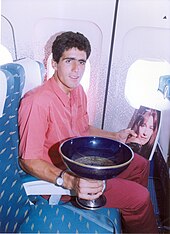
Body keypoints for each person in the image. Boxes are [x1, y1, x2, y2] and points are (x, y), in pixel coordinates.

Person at [18, 31, 158, 233]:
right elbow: (28, 160)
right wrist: (70, 181)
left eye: (82, 62)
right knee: (141, 198)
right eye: (69, 61)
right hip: (60, 176)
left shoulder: (78, 92)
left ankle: (130, 219)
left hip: (82, 161)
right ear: (55, 64)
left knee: (140, 165)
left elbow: (83, 129)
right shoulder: (37, 102)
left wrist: (115, 136)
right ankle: (136, 210)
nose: (77, 70)